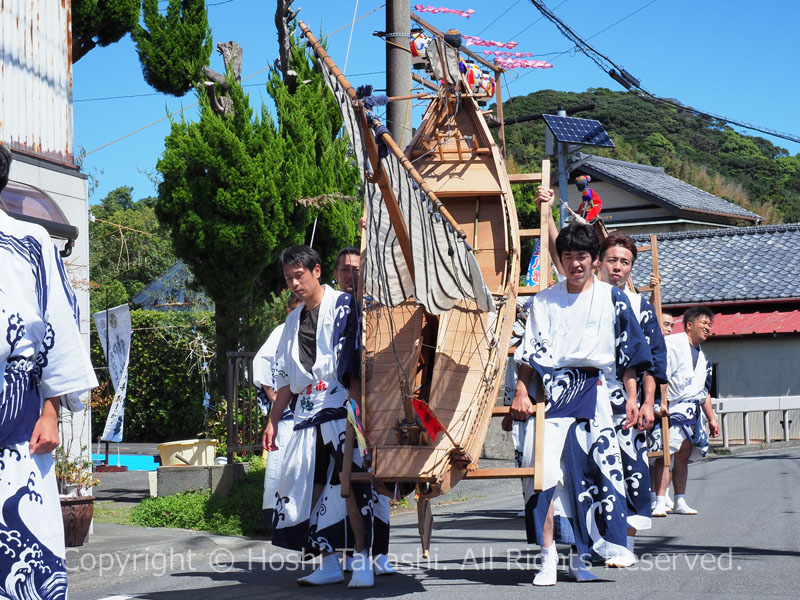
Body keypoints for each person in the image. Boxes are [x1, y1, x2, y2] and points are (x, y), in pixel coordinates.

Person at [512, 213, 652, 586]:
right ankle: (546, 558)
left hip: (595, 392)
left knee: (588, 479)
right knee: (544, 478)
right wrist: (522, 390)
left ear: (594, 259)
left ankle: (579, 559)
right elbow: (528, 354)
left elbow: (630, 355)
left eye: (583, 256)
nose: (576, 263)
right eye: (569, 256)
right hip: (550, 396)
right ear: (561, 260)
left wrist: (635, 398)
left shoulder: (614, 298)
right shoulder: (543, 301)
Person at [0, 144, 98, 597]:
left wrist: (52, 409)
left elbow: (57, 324)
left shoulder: (30, 241)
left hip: (18, 409)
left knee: (23, 526)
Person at [263, 245, 374, 588]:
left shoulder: (343, 305)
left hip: (340, 404)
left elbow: (354, 364)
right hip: (307, 410)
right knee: (309, 485)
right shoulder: (292, 319)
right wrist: (272, 420)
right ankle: (328, 562)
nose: (295, 283)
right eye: (288, 278)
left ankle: (363, 560)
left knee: (349, 482)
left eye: (299, 275)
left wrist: (357, 413)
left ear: (316, 271)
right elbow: (284, 380)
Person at [596, 234, 668, 555]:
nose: (618, 267)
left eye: (625, 262)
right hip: (588, 396)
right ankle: (595, 541)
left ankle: (625, 543)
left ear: (631, 269)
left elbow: (651, 361)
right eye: (613, 260)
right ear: (599, 261)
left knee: (631, 470)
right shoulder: (584, 297)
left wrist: (649, 402)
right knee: (592, 470)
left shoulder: (641, 305)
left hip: (629, 402)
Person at [333, 245, 395, 576]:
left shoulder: (378, 305)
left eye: (357, 268)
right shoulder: (332, 306)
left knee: (380, 480)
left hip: (380, 402)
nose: (351, 274)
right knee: (347, 483)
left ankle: (380, 552)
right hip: (341, 406)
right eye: (345, 269)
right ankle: (350, 552)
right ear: (333, 274)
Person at [650, 306, 720, 517]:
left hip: (691, 411)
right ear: (689, 325)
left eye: (710, 324)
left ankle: (680, 499)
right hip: (672, 406)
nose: (708, 327)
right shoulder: (672, 344)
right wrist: (661, 402)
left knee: (683, 455)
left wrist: (712, 419)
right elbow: (662, 375)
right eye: (704, 323)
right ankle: (660, 500)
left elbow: (703, 391)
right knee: (666, 454)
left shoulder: (704, 358)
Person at [253, 292, 301, 529]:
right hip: (287, 412)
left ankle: (298, 520)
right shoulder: (282, 331)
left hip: (311, 409)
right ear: (288, 311)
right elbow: (262, 361)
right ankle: (274, 519)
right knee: (280, 464)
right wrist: (273, 394)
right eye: (293, 309)